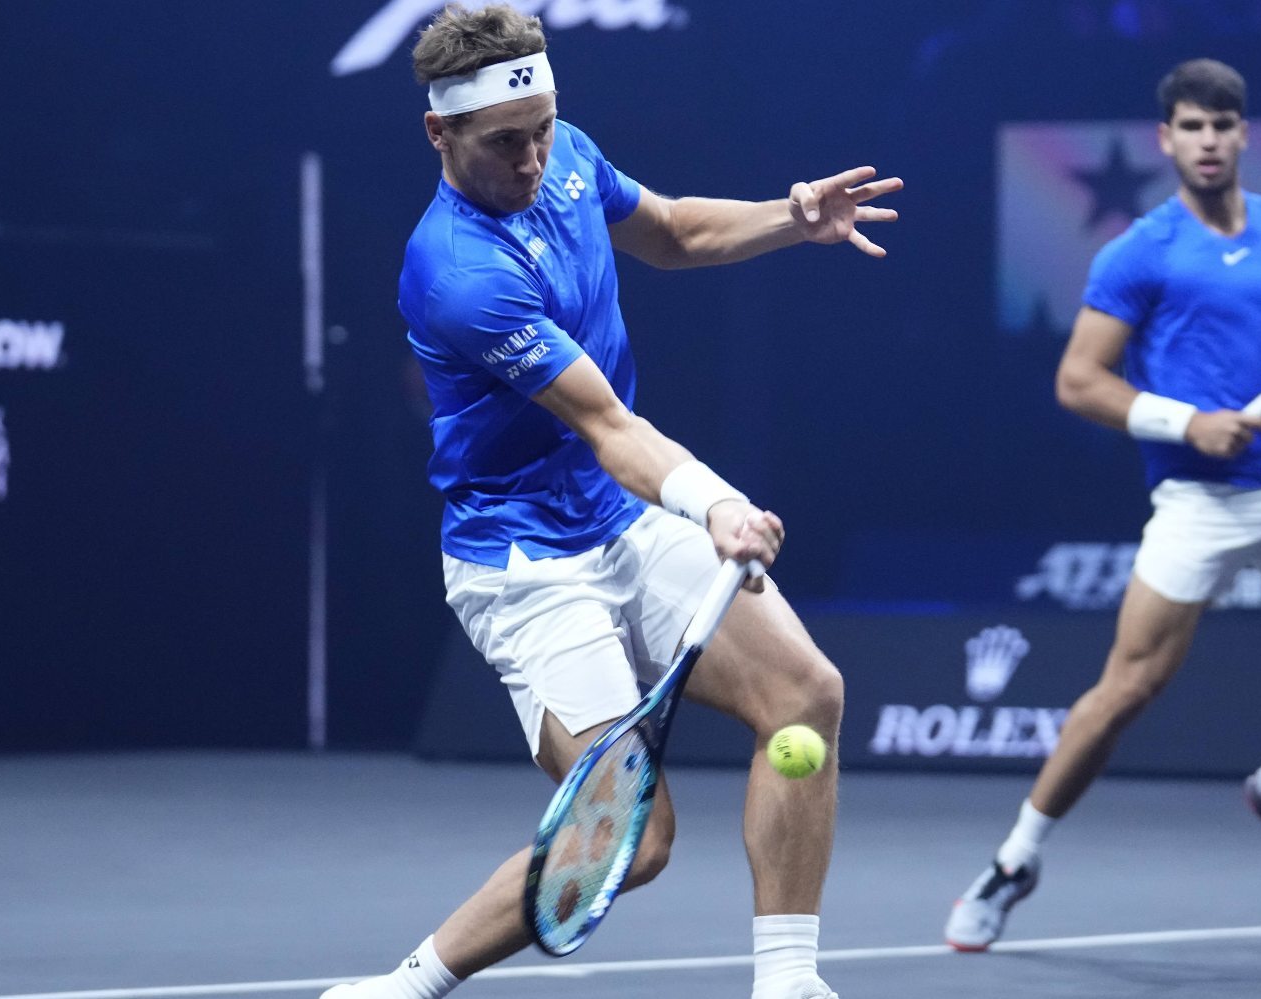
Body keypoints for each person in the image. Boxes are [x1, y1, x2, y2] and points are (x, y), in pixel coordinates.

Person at [321, 6, 901, 999]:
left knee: (806, 694)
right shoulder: (458, 273)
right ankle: (402, 989)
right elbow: (608, 427)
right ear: (440, 134)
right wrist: (715, 504)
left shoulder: (569, 154)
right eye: (507, 143)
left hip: (625, 519)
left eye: (545, 127)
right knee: (633, 841)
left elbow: (673, 231)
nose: (535, 157)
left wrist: (786, 219)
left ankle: (787, 984)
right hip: (525, 567)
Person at [945, 58, 1261, 950]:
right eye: (1191, 128)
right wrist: (1186, 423)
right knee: (1125, 690)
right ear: (1166, 140)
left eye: (1223, 126)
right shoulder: (1138, 252)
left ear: (1245, 135)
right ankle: (1015, 859)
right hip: (1199, 501)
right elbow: (1078, 381)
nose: (1208, 141)